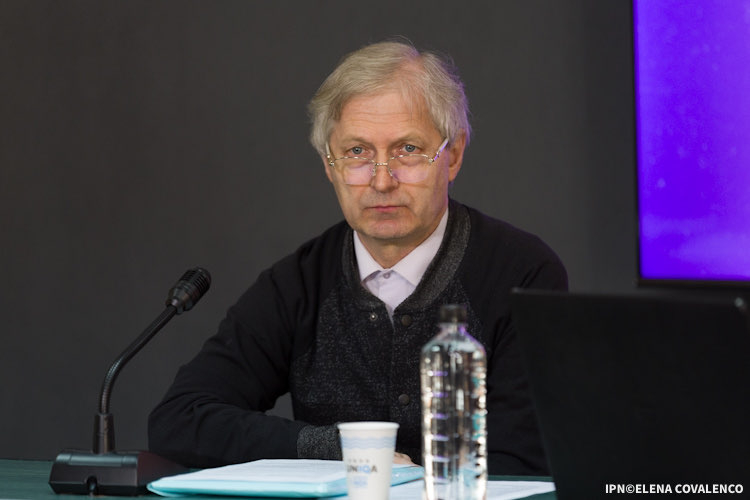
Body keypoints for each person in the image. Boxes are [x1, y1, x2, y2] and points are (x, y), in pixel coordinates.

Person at [148, 40, 567, 475]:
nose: (382, 181)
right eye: (357, 153)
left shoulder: (523, 274)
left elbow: (523, 461)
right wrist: (338, 449)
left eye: (407, 149)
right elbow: (180, 419)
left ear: (454, 155)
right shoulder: (298, 285)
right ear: (328, 165)